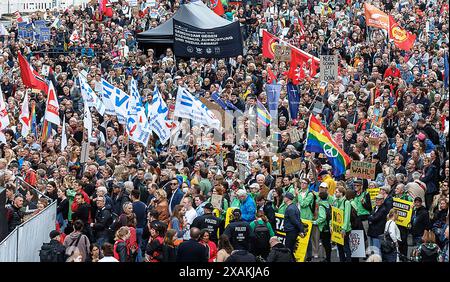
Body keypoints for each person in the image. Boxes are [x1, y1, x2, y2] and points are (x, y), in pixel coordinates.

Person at [283, 192, 305, 258]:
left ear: (288, 199)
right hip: (292, 231)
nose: (283, 198)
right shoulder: (294, 207)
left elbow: (295, 221)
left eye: (284, 197)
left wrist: (301, 230)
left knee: (288, 250)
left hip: (291, 231)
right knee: (290, 250)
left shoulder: (290, 209)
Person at [313, 191, 332, 262]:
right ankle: (328, 258)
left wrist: (315, 222)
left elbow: (322, 217)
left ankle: (328, 259)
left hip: (323, 227)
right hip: (328, 226)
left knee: (325, 244)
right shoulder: (328, 204)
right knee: (328, 244)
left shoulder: (321, 206)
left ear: (320, 198)